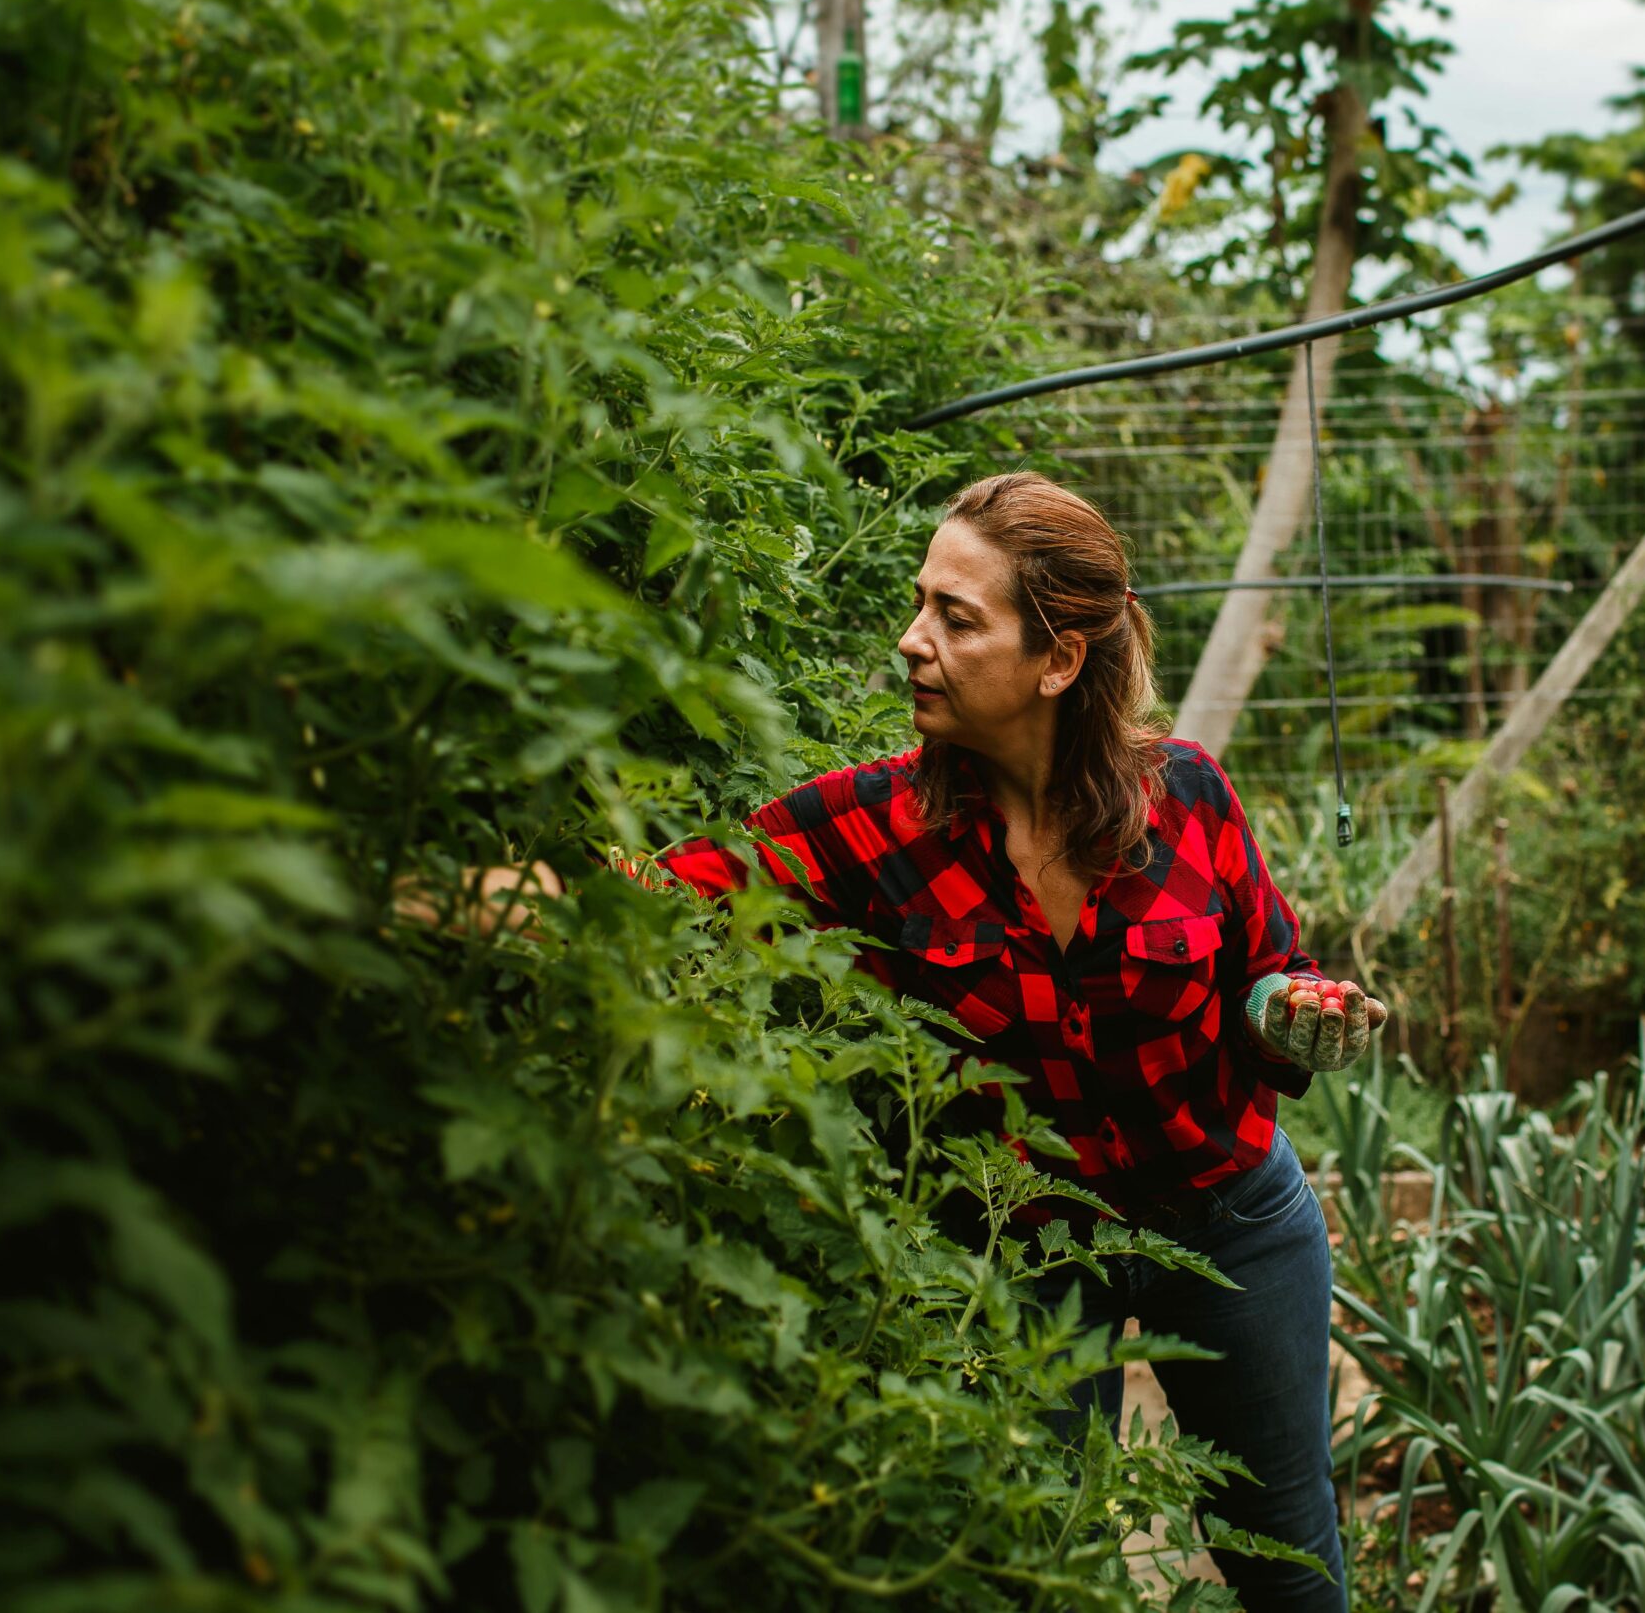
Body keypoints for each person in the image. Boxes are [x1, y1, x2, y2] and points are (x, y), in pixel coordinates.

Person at [410, 472, 1387, 1611]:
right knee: (1015, 1565)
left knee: (1286, 1554)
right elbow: (661, 894)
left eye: (955, 618)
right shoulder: (868, 829)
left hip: (1231, 1226)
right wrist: (444, 893)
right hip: (1018, 1258)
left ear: (1059, 660)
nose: (912, 641)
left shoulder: (1191, 797)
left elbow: (1271, 972)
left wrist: (1305, 1017)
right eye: (923, 602)